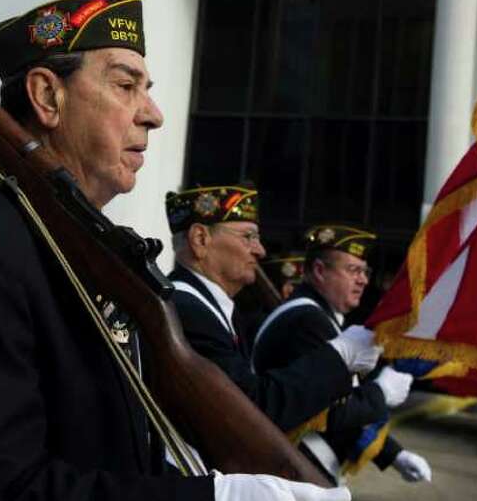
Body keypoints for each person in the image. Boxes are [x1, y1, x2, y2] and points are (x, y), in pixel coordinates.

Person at [0, 0, 349, 501]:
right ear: (46, 97)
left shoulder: (79, 240)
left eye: (145, 89)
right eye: (126, 86)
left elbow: (111, 454)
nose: (152, 113)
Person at [163, 185, 381, 441]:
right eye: (248, 237)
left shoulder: (206, 306)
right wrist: (339, 356)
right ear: (200, 239)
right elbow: (250, 409)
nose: (260, 250)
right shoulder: (187, 309)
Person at [252, 225, 431, 486]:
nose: (363, 280)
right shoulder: (307, 320)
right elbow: (331, 413)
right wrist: (380, 393)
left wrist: (394, 454)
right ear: (320, 271)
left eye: (365, 271)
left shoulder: (320, 317)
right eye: (352, 270)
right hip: (291, 468)